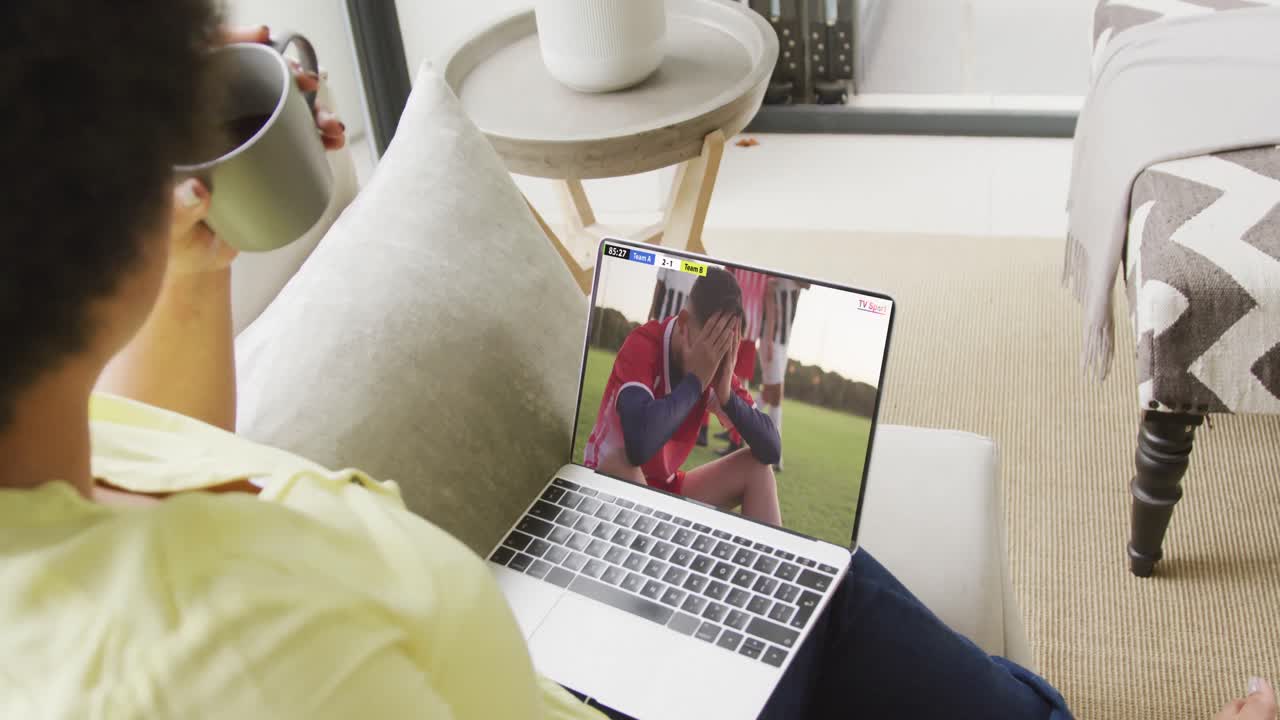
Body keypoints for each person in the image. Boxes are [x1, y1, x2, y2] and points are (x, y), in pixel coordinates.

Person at [2, 3, 1268, 718]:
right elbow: (660, 437)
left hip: (586, 589)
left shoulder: (50, 454)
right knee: (844, 605)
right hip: (604, 667)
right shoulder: (241, 671)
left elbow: (155, 444)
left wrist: (196, 268)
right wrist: (702, 406)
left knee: (806, 567)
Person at [584, 269, 784, 525]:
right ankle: (660, 550)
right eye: (708, 347)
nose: (714, 361)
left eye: (724, 350)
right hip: (610, 479)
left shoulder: (716, 365)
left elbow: (771, 449)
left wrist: (726, 397)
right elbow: (638, 448)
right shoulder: (644, 343)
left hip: (664, 488)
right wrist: (695, 382)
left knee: (757, 470)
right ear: (683, 323)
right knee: (619, 461)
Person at [714, 267, 770, 457]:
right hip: (750, 327)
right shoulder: (769, 267)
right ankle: (736, 437)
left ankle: (737, 440)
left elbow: (725, 283)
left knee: (735, 384)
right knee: (738, 384)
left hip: (738, 323)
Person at [757, 275, 809, 471]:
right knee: (776, 396)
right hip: (772, 341)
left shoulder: (796, 278)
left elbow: (808, 284)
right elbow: (770, 307)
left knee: (769, 394)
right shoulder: (774, 278)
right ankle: (775, 454)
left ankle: (737, 424)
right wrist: (769, 341)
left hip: (783, 343)